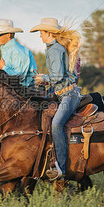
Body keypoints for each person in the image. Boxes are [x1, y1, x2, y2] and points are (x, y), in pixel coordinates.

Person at [30, 18, 82, 180]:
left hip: (69, 95)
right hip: (62, 93)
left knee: (56, 124)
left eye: (41, 33)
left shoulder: (55, 49)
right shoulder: (53, 48)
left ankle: (60, 168)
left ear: (48, 33)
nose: (39, 36)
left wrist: (42, 78)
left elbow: (58, 76)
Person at [0, 19, 38, 87]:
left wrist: (3, 67)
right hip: (14, 88)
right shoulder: (7, 49)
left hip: (25, 90)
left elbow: (19, 77)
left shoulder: (17, 51)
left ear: (8, 35)